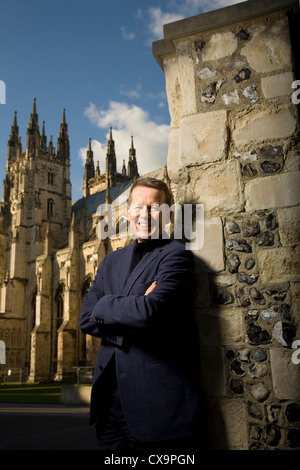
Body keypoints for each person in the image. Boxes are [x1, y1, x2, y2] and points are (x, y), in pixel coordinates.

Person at [79, 177, 202, 452]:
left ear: (168, 214)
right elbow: (86, 317)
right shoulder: (111, 260)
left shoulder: (176, 255)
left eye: (155, 208)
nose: (144, 215)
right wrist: (131, 307)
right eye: (138, 206)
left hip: (158, 409)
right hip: (110, 411)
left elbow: (149, 311)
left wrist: (107, 307)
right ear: (127, 211)